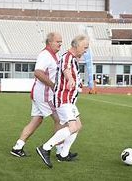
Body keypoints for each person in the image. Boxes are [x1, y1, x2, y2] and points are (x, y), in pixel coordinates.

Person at [36, 35, 89, 168]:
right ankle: (45, 148)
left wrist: (77, 83)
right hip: (63, 98)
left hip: (69, 99)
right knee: (72, 127)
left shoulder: (73, 59)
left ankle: (63, 154)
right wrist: (70, 78)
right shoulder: (67, 56)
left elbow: (69, 71)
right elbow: (66, 68)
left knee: (78, 126)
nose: (85, 51)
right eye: (85, 48)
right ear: (76, 46)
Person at [10, 32, 65, 157]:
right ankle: (61, 151)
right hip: (44, 95)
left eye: (61, 41)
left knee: (36, 120)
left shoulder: (53, 56)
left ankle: (17, 147)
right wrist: (53, 85)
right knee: (61, 120)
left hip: (39, 94)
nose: (60, 44)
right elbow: (38, 73)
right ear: (50, 42)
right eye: (58, 41)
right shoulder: (45, 55)